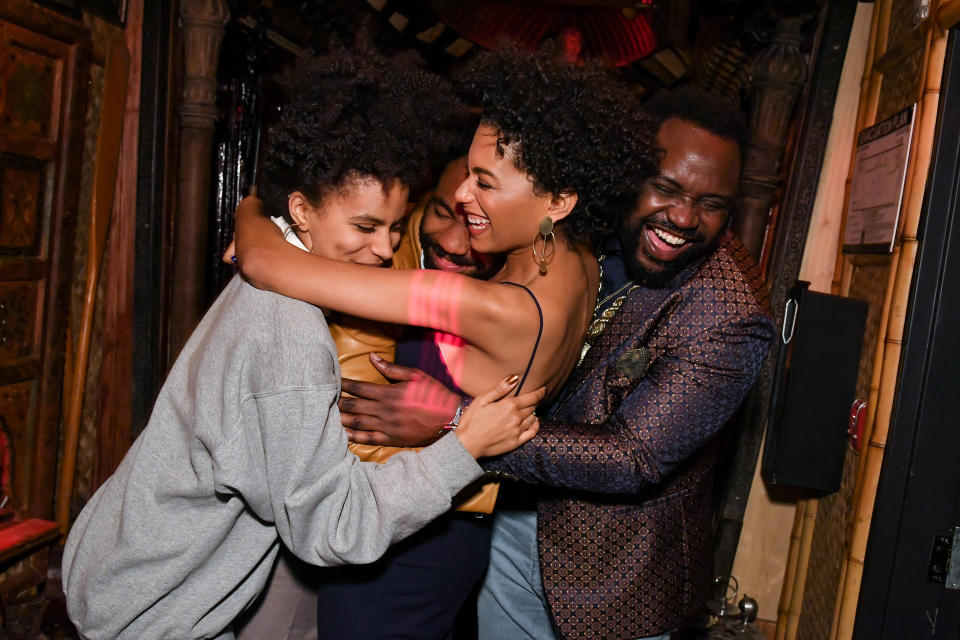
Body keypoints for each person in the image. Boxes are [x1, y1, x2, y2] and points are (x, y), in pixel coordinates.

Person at [60, 49, 543, 640]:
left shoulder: (271, 268)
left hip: (129, 575)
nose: (384, 250)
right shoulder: (289, 330)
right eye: (364, 227)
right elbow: (333, 529)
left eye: (394, 228)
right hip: (156, 612)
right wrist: (463, 445)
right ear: (301, 212)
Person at [231, 45, 656, 640]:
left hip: (405, 549)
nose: (462, 195)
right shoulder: (579, 262)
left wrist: (257, 208)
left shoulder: (490, 306)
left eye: (485, 183)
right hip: (449, 530)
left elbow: (264, 262)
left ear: (558, 199)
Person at [343, 86, 777, 640]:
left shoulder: (730, 313)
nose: (684, 216)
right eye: (664, 188)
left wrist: (459, 421)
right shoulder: (578, 222)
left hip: (615, 582)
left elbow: (632, 458)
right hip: (508, 526)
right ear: (626, 173)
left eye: (712, 203)